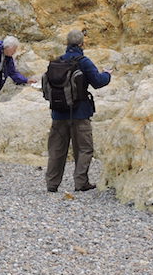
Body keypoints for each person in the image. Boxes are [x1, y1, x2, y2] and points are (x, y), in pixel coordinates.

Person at [45, 29, 112, 193]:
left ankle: (52, 184)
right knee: (84, 148)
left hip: (58, 113)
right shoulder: (84, 61)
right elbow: (98, 82)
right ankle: (81, 182)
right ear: (82, 44)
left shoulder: (58, 61)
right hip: (80, 113)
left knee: (56, 149)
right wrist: (107, 74)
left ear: (67, 44)